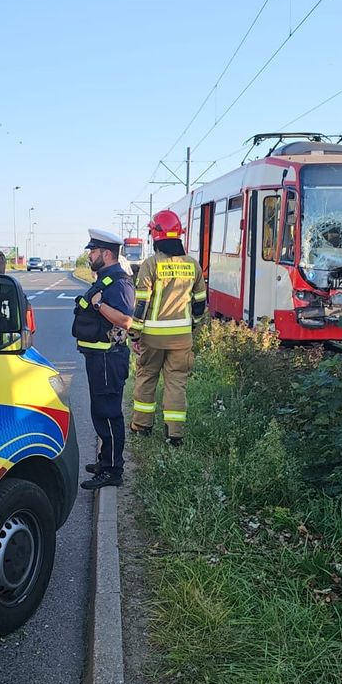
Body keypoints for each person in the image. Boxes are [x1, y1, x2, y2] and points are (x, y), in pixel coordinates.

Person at [129, 209, 207, 445]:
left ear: (155, 236)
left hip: (152, 338)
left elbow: (141, 303)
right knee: (176, 383)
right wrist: (191, 326)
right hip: (182, 338)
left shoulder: (150, 265)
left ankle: (141, 427)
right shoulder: (193, 265)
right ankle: (175, 434)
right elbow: (200, 302)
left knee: (146, 378)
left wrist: (134, 334)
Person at [73, 228, 134, 490]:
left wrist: (99, 305)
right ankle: (105, 461)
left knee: (108, 414)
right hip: (99, 358)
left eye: (93, 251)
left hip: (108, 358)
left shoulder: (119, 282)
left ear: (106, 254)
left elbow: (125, 320)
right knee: (101, 412)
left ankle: (112, 471)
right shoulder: (105, 279)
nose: (89, 256)